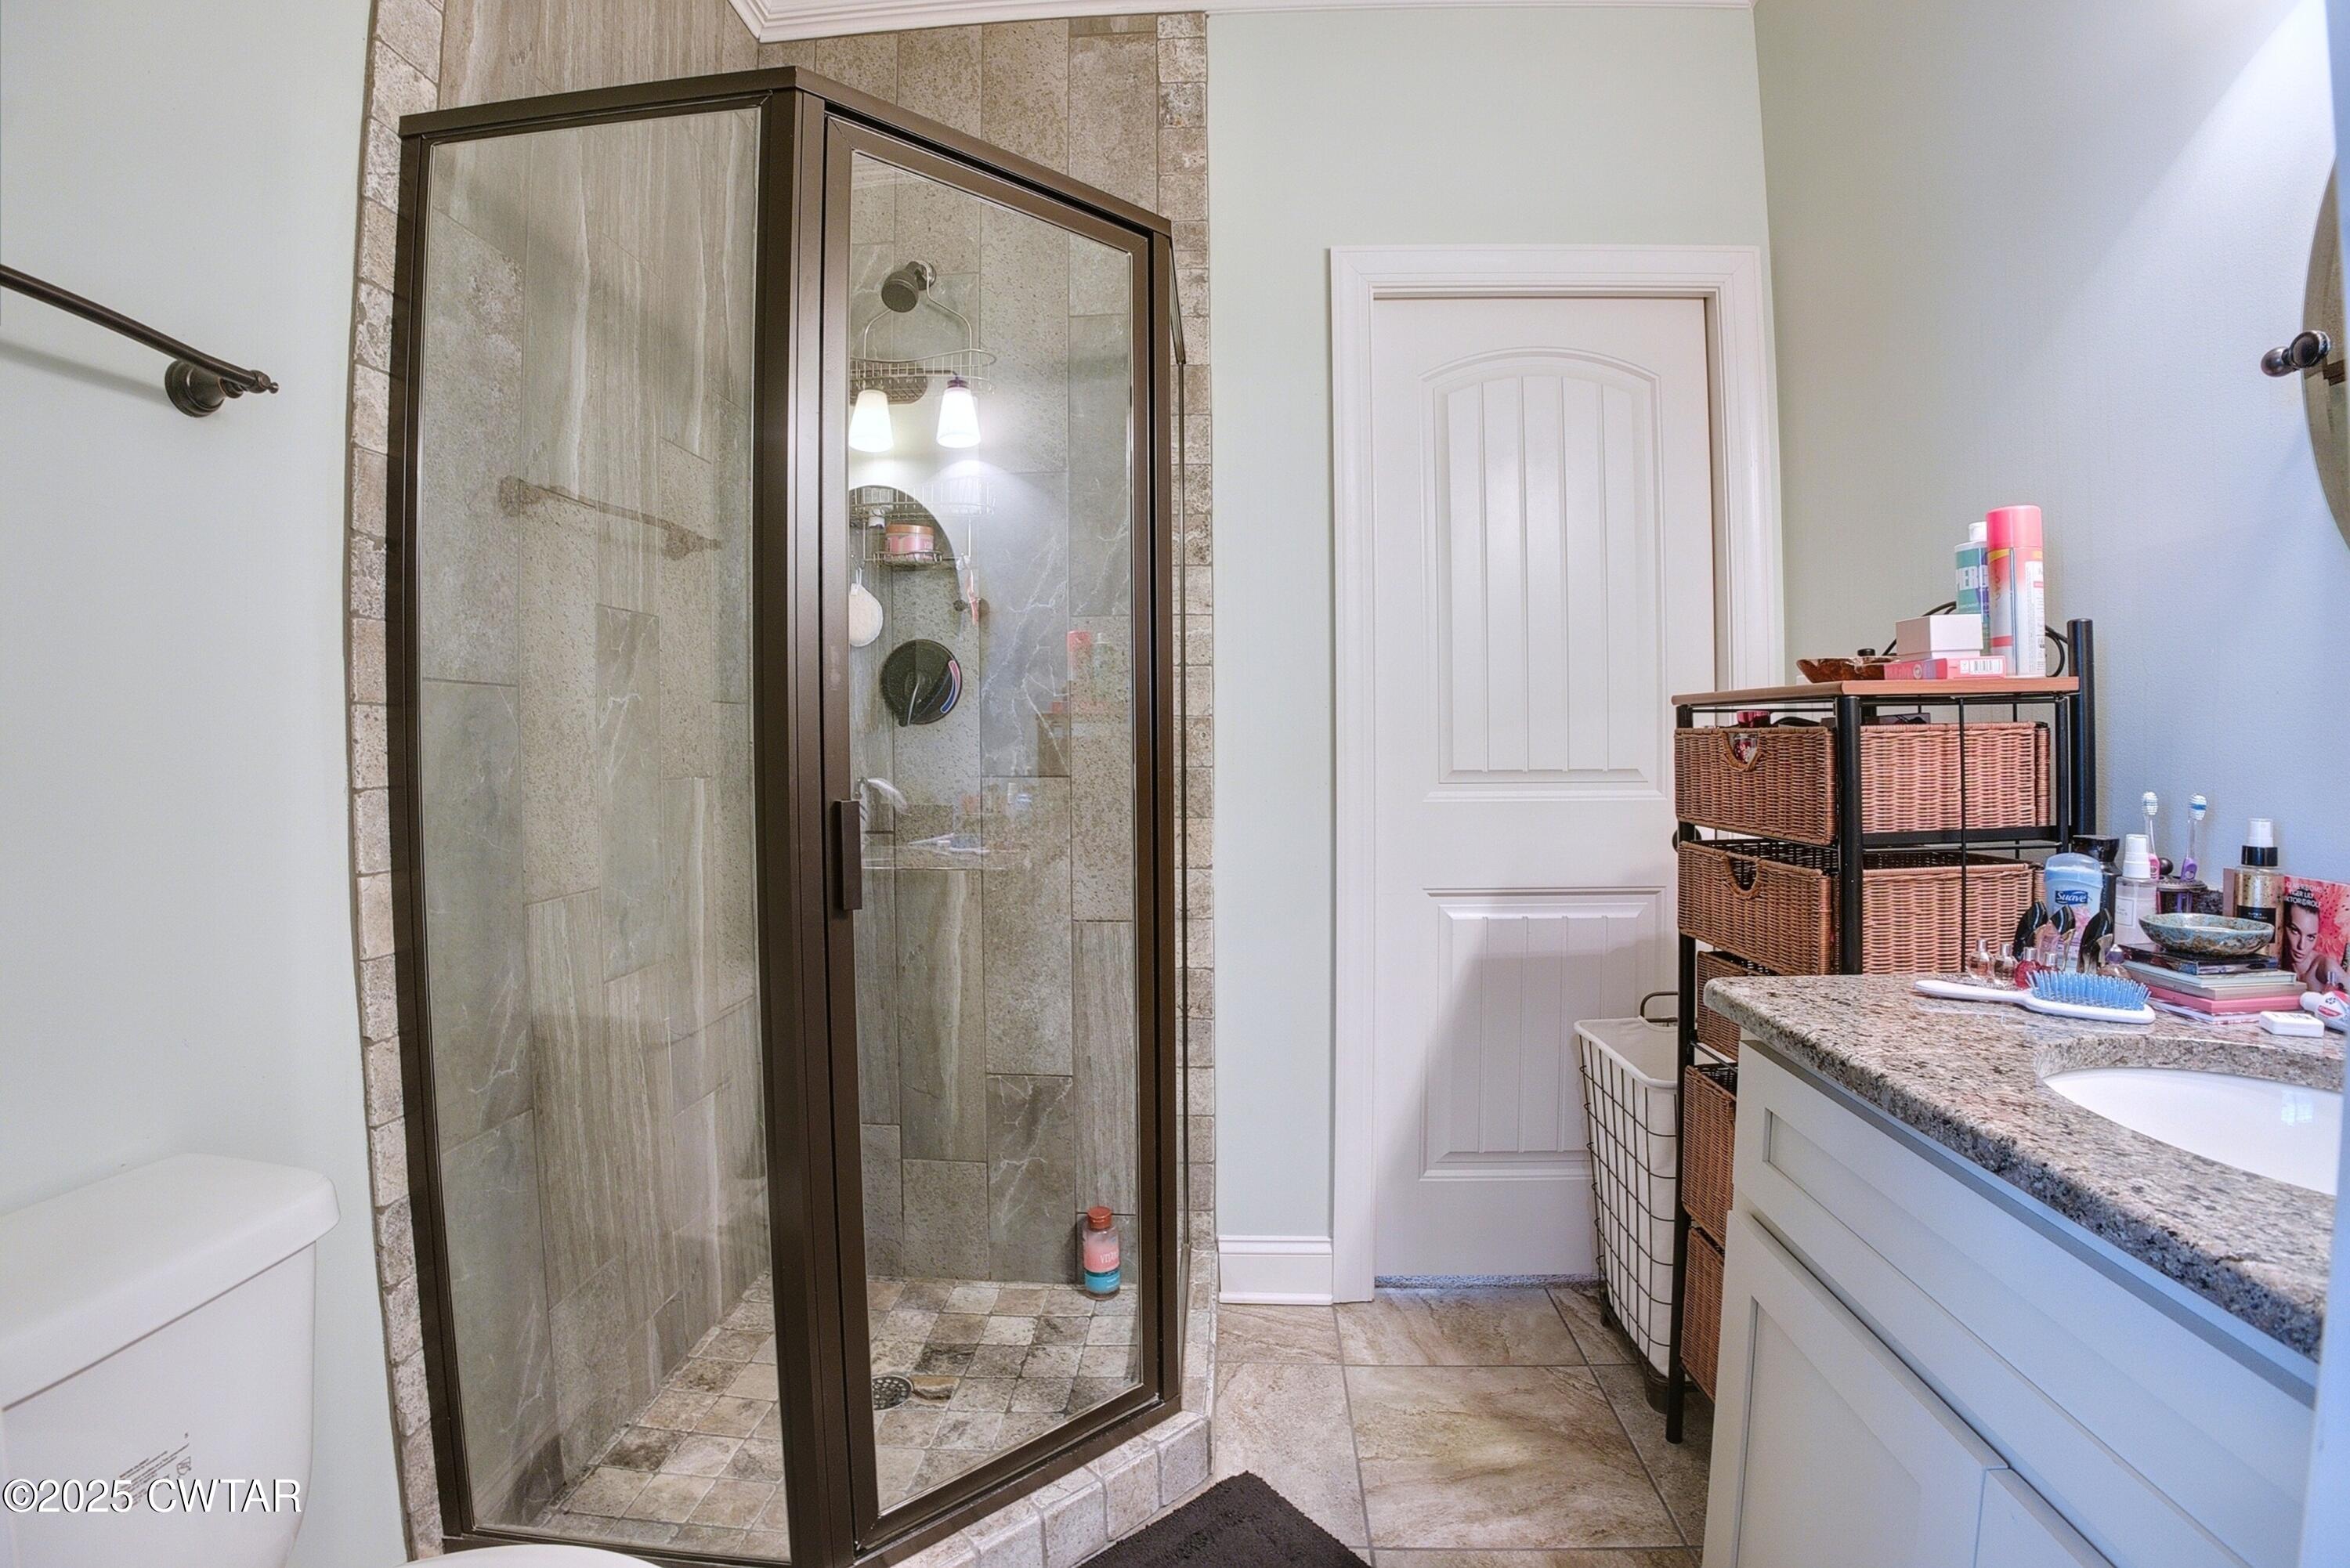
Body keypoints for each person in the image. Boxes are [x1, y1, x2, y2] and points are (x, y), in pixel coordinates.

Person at [2280, 888, 2347, 995]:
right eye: (2295, 931)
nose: (2301, 946)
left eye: (2310, 937)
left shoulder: (2325, 967)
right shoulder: (2274, 961)